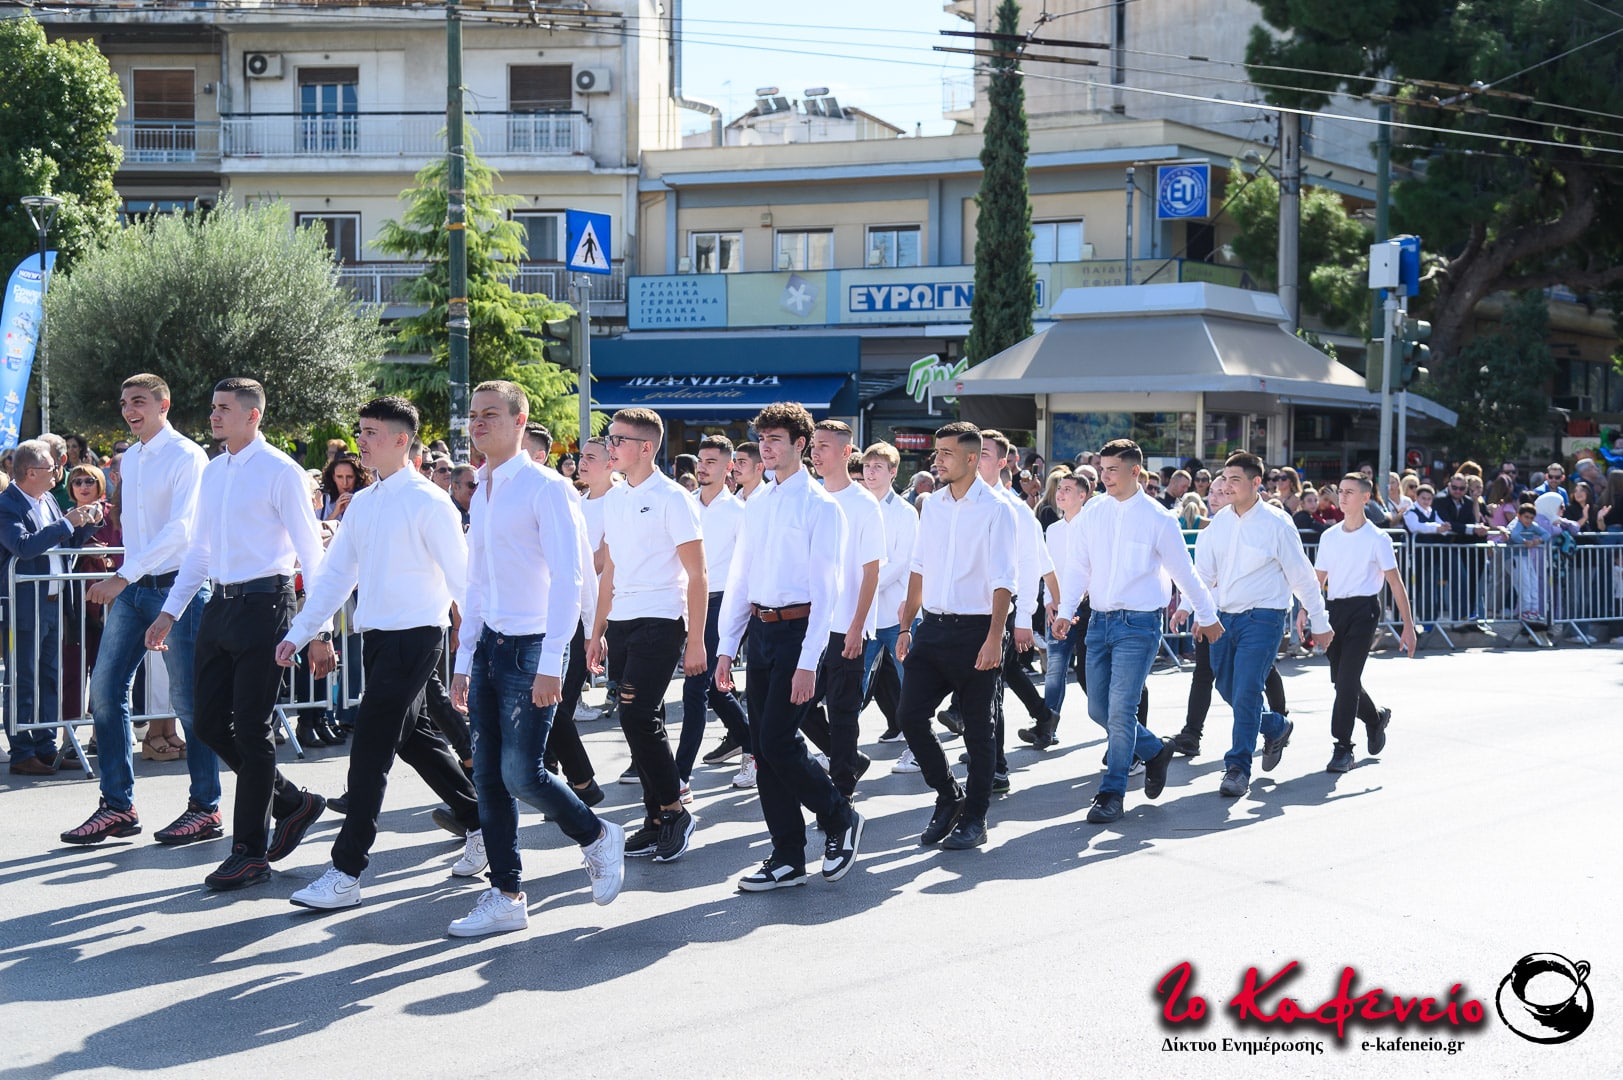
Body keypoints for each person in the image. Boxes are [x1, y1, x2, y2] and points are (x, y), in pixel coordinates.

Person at [275, 396, 492, 911]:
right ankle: (479, 821)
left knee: (370, 750)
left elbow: (465, 582)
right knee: (415, 740)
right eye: (360, 431)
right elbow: (335, 576)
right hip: (377, 640)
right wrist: (302, 632)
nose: (361, 441)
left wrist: (472, 653)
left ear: (401, 440)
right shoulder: (365, 503)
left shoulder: (430, 502)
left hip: (417, 638)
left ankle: (346, 870)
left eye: (371, 432)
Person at [448, 380, 624, 938]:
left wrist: (553, 660)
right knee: (489, 779)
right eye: (474, 415)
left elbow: (570, 577)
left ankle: (597, 835)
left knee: (523, 774)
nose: (478, 424)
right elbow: (477, 582)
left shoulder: (547, 488)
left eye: (490, 414)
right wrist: (464, 658)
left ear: (520, 421)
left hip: (532, 648)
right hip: (489, 646)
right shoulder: (483, 491)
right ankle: (506, 894)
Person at [145, 378, 332, 891]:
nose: (213, 415)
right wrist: (169, 613)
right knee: (207, 722)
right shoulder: (214, 470)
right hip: (220, 606)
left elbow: (312, 555)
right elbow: (200, 552)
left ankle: (249, 853)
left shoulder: (282, 471)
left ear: (252, 415)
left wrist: (320, 630)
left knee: (252, 728)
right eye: (212, 407)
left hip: (267, 604)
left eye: (223, 408)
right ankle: (291, 802)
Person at [64, 375, 222, 841]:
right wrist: (127, 575)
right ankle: (117, 807)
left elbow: (181, 530)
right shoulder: (129, 458)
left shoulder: (188, 456)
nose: (129, 410)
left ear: (163, 404)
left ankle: (206, 807)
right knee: (105, 691)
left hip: (179, 588)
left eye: (138, 401)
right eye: (124, 403)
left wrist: (122, 575)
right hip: (135, 590)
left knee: (189, 701)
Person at [714, 401, 863, 890]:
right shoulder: (757, 503)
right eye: (762, 439)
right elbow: (741, 577)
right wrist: (726, 646)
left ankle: (839, 816)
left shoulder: (822, 507)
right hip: (760, 632)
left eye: (775, 439)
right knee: (763, 746)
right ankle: (788, 856)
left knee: (778, 740)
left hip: (800, 633)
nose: (766, 447)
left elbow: (828, 591)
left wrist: (808, 662)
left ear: (801, 444)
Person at [1053, 439, 1222, 822]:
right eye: (1102, 469)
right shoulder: (1093, 513)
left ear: (1135, 472)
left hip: (1139, 624)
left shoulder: (1159, 518)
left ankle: (1111, 792)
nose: (1105, 476)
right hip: (1098, 621)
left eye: (1113, 470)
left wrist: (1206, 614)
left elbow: (1184, 572)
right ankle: (1155, 750)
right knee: (1099, 708)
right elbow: (1079, 567)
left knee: (1120, 709)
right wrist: (1066, 610)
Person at [887, 421, 1017, 850]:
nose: (937, 460)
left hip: (977, 630)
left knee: (979, 730)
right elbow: (919, 566)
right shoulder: (933, 506)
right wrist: (906, 625)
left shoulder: (997, 509)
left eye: (946, 453)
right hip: (932, 629)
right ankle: (948, 795)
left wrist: (995, 637)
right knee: (910, 715)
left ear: (971, 458)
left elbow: (1004, 579)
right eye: (937, 452)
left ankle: (975, 818)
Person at [587, 408, 708, 861]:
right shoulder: (615, 498)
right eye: (610, 438)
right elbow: (610, 570)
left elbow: (698, 575)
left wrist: (696, 639)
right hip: (622, 620)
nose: (610, 446)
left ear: (645, 447)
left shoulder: (673, 498)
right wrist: (596, 630)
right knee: (643, 719)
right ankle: (656, 817)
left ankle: (675, 811)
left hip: (661, 619)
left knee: (636, 717)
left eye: (618, 439)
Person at [1189, 451, 1332, 798]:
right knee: (1228, 688)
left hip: (1263, 618)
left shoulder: (1277, 524)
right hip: (1223, 618)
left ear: (1256, 483)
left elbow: (1302, 576)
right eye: (1225, 479)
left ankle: (1238, 768)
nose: (1227, 486)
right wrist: (1199, 614)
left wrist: (1319, 620)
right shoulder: (1218, 524)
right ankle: (1276, 724)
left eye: (1235, 480)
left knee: (1247, 690)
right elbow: (1203, 574)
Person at [1, 440, 103, 775]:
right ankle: (22, 751)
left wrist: (87, 522)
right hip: (24, 605)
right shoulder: (7, 504)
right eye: (52, 468)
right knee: (23, 678)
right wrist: (67, 523)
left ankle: (45, 747)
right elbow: (23, 546)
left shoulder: (47, 499)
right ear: (31, 472)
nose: (58, 472)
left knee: (49, 677)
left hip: (54, 603)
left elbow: (65, 542)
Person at [798, 420, 885, 801]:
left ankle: (842, 791)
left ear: (846, 452)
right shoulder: (810, 497)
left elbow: (871, 571)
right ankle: (846, 759)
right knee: (799, 705)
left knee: (843, 711)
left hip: (847, 624)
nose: (816, 453)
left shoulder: (864, 503)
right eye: (814, 445)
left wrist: (857, 626)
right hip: (809, 624)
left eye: (825, 446)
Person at [1314, 474, 1417, 773]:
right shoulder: (1329, 536)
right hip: (1335, 610)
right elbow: (1318, 579)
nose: (1342, 497)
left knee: (1347, 681)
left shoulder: (1377, 538)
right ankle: (1375, 718)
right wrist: (1306, 610)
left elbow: (1396, 584)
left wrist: (1408, 626)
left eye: (1349, 492)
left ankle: (1343, 748)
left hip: (1364, 611)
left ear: (1365, 498)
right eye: (1340, 491)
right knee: (1341, 681)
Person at [680, 435, 751, 784]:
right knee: (714, 689)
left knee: (695, 688)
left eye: (711, 462)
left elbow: (748, 567)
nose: (703, 468)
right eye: (701, 461)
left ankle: (679, 776)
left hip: (722, 604)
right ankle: (752, 744)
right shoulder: (684, 504)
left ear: (729, 468)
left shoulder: (740, 513)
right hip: (683, 602)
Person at [860, 441, 917, 749]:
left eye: (878, 467)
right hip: (863, 614)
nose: (870, 473)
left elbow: (901, 562)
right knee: (854, 682)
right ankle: (840, 745)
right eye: (867, 466)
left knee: (910, 682)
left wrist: (866, 584)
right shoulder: (859, 507)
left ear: (893, 472)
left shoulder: (905, 512)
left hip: (898, 611)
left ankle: (916, 746)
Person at [320, 454, 372, 522]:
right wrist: (335, 513)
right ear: (333, 477)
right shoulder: (322, 499)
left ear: (357, 477)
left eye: (349, 477)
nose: (345, 483)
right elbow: (314, 527)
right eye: (339, 477)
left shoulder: (367, 498)